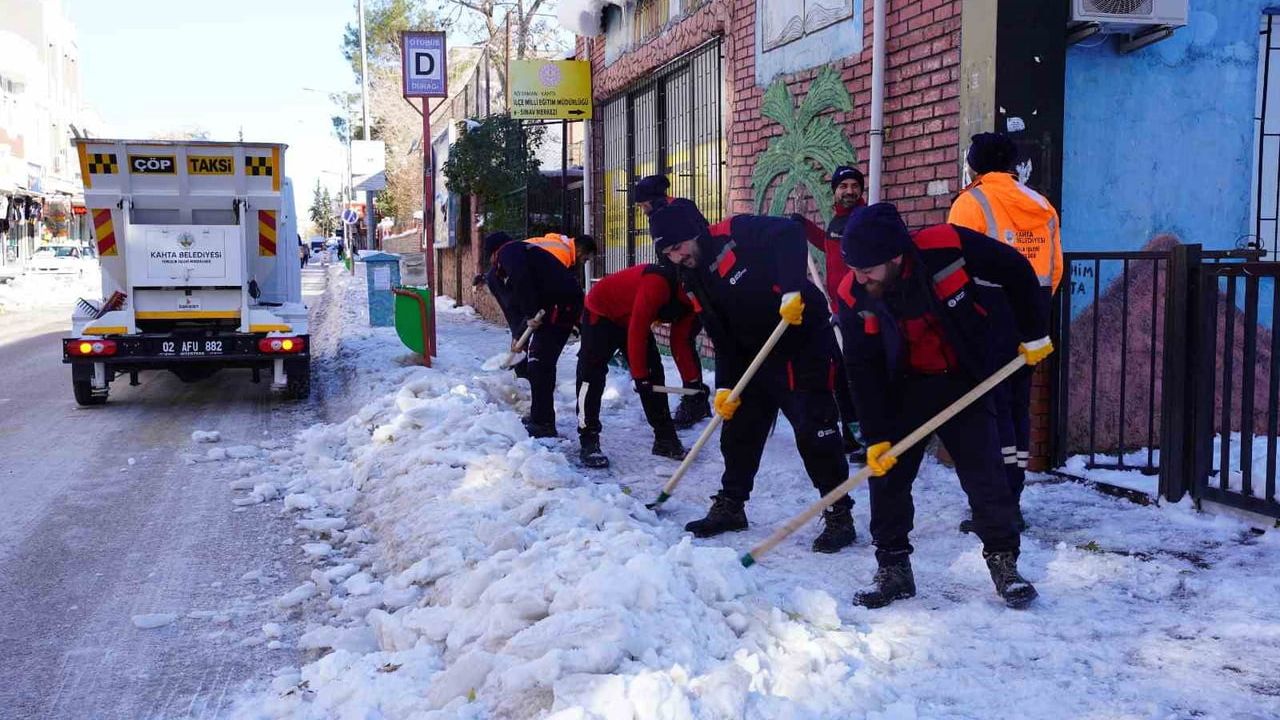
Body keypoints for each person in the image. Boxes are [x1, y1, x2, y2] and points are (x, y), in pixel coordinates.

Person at [835, 203, 1052, 609]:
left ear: (895, 256)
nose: (860, 277)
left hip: (963, 378)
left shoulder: (945, 246)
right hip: (901, 389)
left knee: (986, 475)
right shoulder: (853, 294)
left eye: (867, 269)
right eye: (854, 268)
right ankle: (893, 569)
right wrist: (876, 436)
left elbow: (1017, 270)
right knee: (888, 479)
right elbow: (861, 369)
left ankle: (1004, 564)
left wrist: (1034, 332)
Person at [648, 200, 856, 554]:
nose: (677, 257)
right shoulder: (692, 278)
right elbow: (721, 337)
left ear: (694, 233)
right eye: (668, 253)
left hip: (799, 344)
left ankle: (839, 513)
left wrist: (791, 290)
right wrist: (724, 387)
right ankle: (732, 505)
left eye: (679, 246)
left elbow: (790, 233)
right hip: (752, 354)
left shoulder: (735, 232)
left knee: (813, 429)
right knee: (739, 430)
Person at [948, 132, 1064, 531]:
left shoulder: (971, 203)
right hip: (1032, 318)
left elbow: (953, 266)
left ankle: (994, 507)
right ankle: (1012, 499)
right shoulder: (1042, 205)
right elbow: (1055, 269)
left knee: (987, 410)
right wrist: (1034, 313)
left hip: (987, 316)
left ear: (975, 165)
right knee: (1017, 406)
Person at [575, 262, 703, 468]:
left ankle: (665, 440)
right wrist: (640, 377)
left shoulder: (696, 301)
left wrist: (693, 383)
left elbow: (680, 341)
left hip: (632, 317)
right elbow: (637, 331)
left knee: (654, 374)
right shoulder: (657, 284)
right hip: (602, 310)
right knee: (590, 376)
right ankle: (588, 439)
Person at [493, 232, 587, 438]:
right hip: (556, 307)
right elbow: (521, 296)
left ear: (494, 253)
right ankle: (539, 416)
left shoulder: (508, 252)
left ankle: (543, 423)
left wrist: (530, 313)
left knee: (540, 364)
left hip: (561, 308)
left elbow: (522, 280)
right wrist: (520, 331)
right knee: (538, 363)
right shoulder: (521, 253)